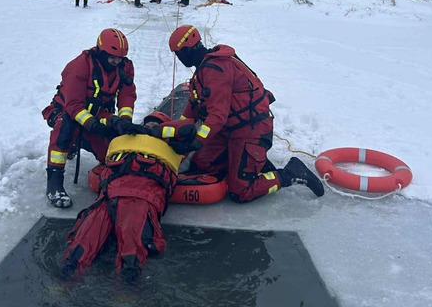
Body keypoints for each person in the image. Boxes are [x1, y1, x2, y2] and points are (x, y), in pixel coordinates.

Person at [165, 25, 323, 202]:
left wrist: (196, 142)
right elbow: (190, 114)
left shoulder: (216, 69)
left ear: (190, 48)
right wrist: (164, 130)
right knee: (201, 166)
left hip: (250, 130)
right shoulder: (201, 73)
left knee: (240, 191)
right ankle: (251, 164)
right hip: (228, 131)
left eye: (179, 54)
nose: (178, 59)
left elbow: (217, 116)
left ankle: (290, 173)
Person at [61, 112, 187, 282]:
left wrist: (162, 131)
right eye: (147, 123)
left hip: (142, 191)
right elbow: (102, 121)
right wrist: (116, 121)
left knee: (132, 244)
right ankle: (66, 277)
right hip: (110, 191)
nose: (149, 126)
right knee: (86, 236)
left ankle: (126, 291)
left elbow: (188, 129)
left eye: (155, 123)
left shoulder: (175, 146)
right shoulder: (125, 136)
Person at [40, 29, 137, 208]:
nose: (117, 62)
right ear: (101, 51)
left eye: (120, 58)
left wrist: (123, 121)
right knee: (65, 129)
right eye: (113, 57)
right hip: (67, 112)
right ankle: (54, 182)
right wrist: (90, 124)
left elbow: (127, 96)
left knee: (109, 149)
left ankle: (81, 142)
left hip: (99, 113)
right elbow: (73, 105)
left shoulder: (124, 67)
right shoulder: (80, 66)